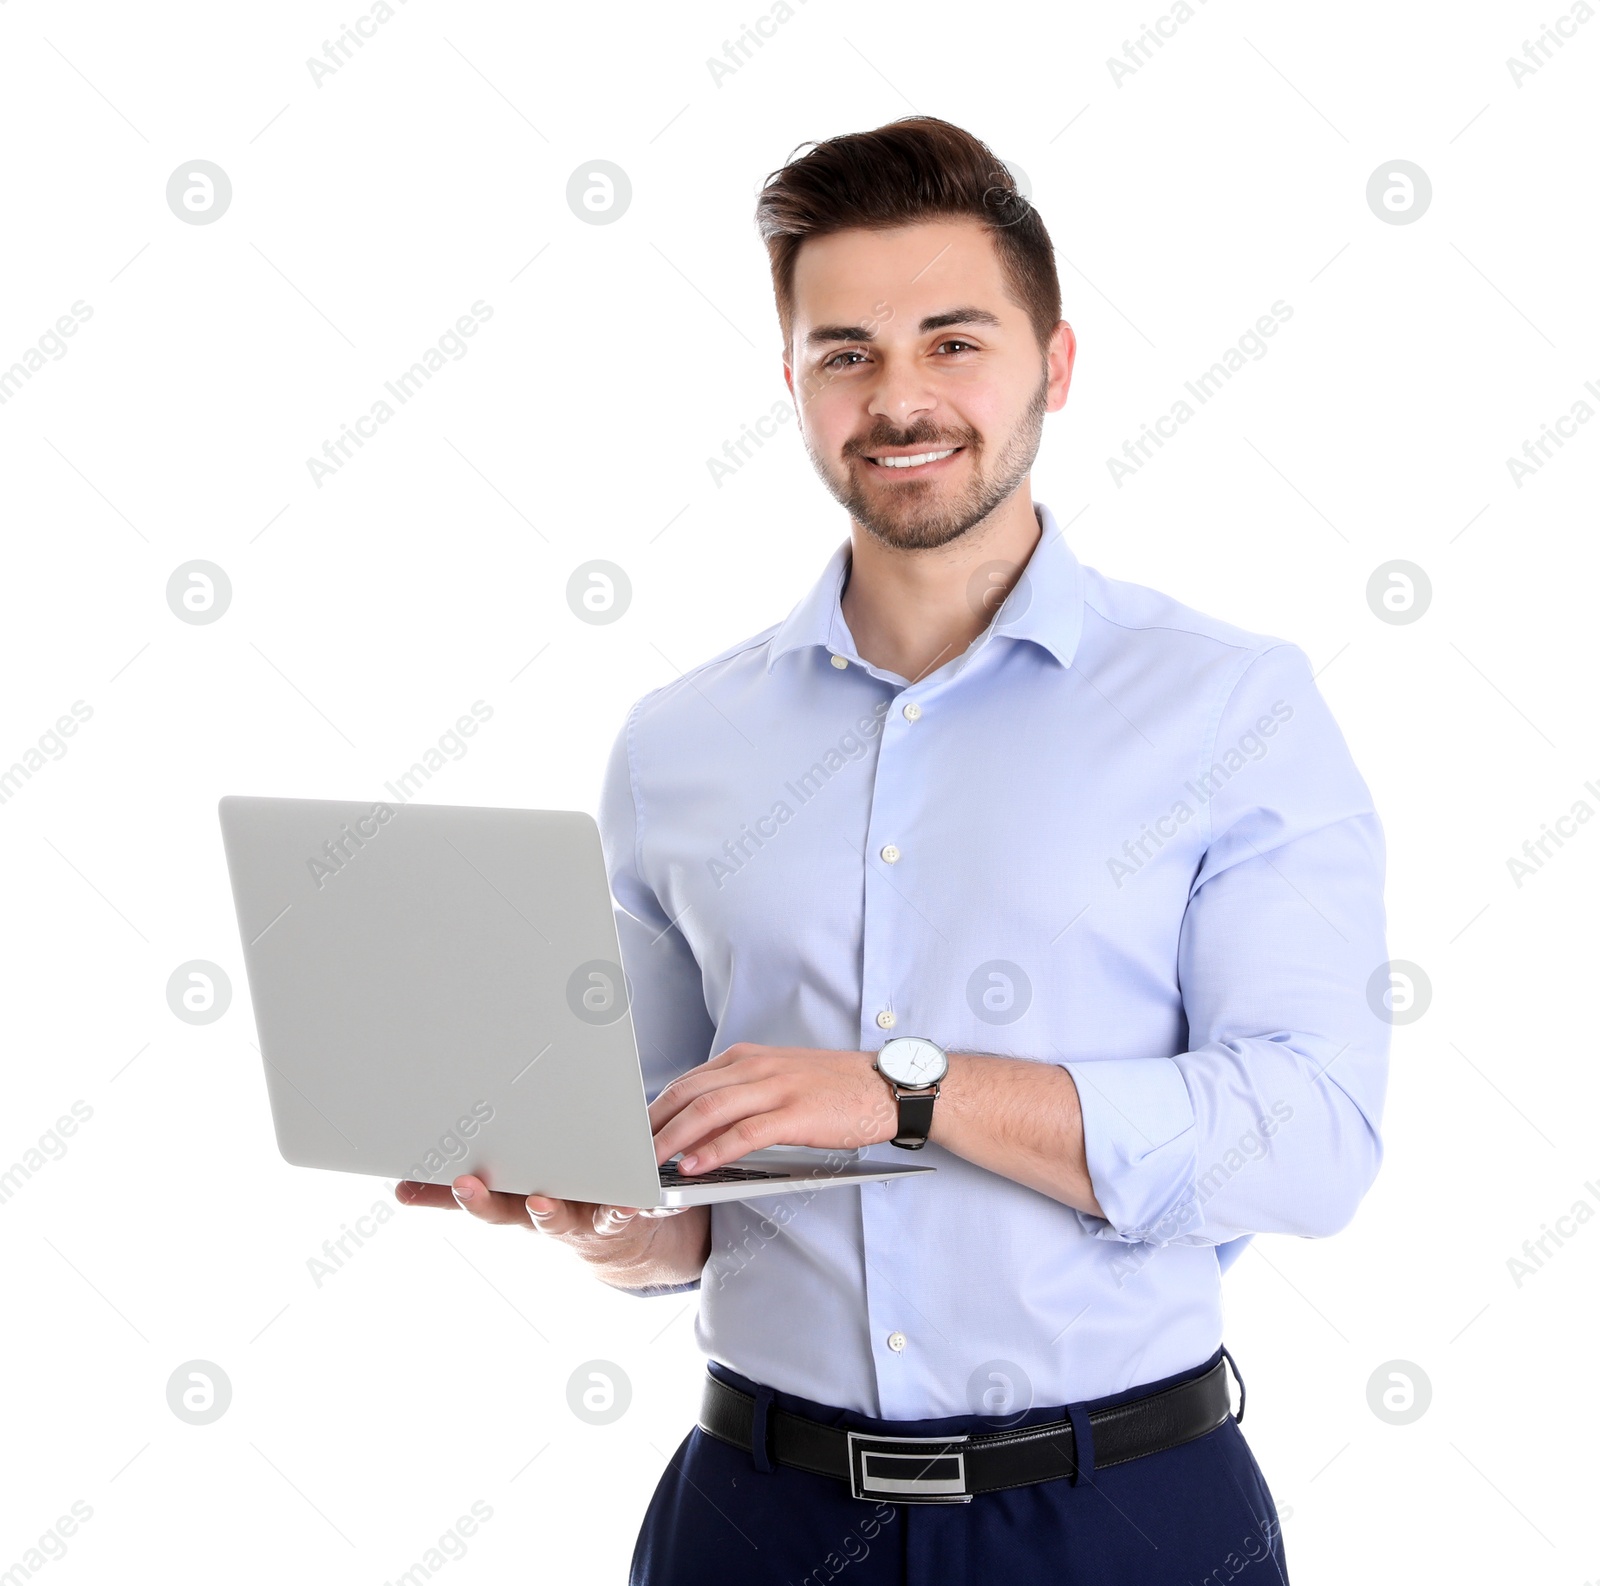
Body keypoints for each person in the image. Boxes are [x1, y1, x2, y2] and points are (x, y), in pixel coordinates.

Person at [398, 116, 1389, 1585]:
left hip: (1121, 1514)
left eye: (952, 340)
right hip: (755, 1513)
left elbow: (1311, 1138)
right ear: (790, 384)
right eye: (846, 351)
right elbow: (683, 1187)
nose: (900, 396)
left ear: (1054, 364)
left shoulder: (1229, 707)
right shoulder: (680, 743)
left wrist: (903, 1093)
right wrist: (604, 1218)